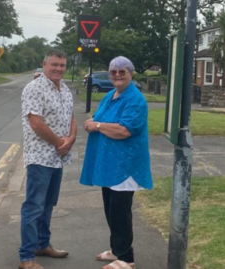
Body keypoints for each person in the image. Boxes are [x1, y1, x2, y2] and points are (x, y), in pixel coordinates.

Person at [80, 56, 153, 269]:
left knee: (120, 212)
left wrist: (98, 126)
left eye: (122, 71)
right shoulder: (111, 95)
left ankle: (126, 258)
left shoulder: (135, 99)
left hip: (125, 166)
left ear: (131, 73)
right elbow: (97, 117)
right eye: (113, 72)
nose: (117, 75)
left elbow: (124, 130)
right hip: (109, 165)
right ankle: (116, 250)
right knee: (110, 209)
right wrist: (92, 122)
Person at [19, 49, 77, 269]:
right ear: (44, 64)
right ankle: (26, 257)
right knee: (34, 206)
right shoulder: (34, 88)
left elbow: (71, 118)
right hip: (40, 158)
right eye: (54, 65)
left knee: (49, 204)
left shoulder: (65, 89)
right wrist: (59, 143)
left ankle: (42, 244)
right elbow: (36, 123)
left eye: (62, 65)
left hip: (57, 158)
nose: (59, 69)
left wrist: (70, 140)